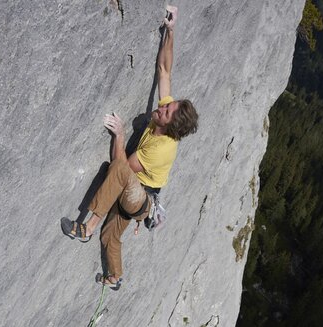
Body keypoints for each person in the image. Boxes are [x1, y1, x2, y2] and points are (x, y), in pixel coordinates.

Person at [63, 5, 198, 289]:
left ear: (168, 127)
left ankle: (86, 226)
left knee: (120, 174)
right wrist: (170, 32)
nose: (161, 108)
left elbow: (121, 167)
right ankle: (115, 278)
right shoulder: (165, 117)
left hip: (140, 199)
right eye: (167, 105)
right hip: (134, 195)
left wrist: (120, 135)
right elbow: (164, 70)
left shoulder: (162, 148)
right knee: (110, 236)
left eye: (165, 112)